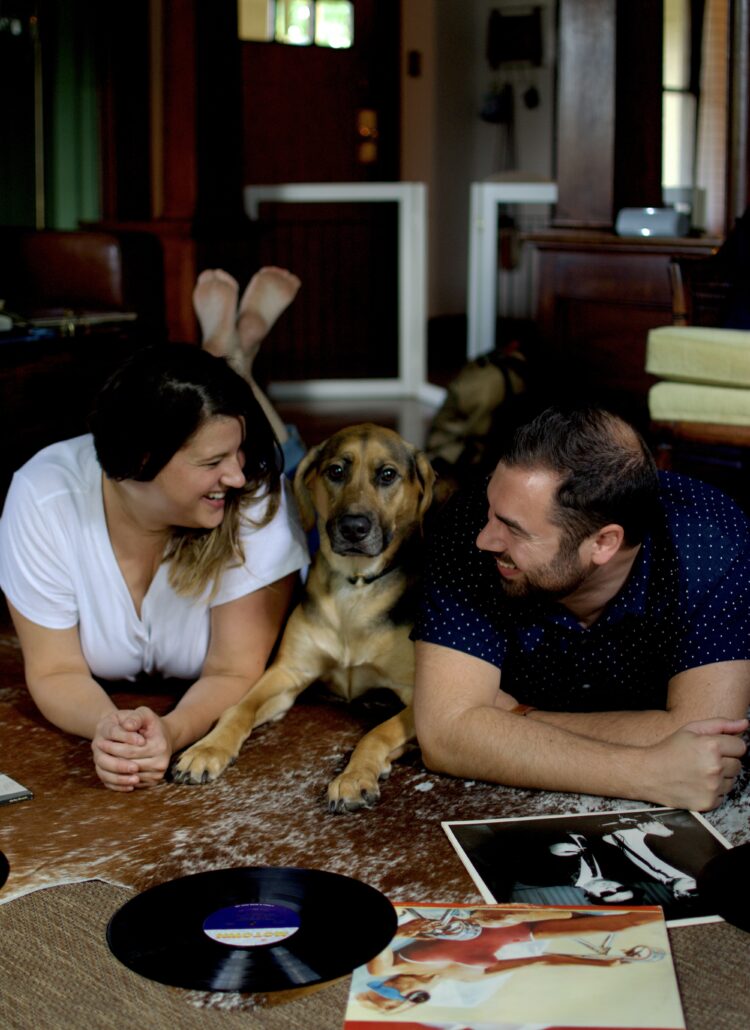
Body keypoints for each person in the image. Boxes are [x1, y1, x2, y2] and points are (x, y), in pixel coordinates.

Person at [0, 267, 309, 791]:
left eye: (234, 453)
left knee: (292, 468)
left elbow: (234, 671)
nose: (234, 474)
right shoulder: (42, 496)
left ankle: (234, 355)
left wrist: (172, 729)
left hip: (296, 505)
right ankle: (227, 351)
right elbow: (55, 671)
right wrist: (106, 726)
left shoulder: (252, 489)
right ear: (142, 459)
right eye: (213, 460)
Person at [413, 406, 750, 812]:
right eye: (491, 511)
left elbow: (706, 742)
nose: (486, 539)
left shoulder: (711, 542)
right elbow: (445, 735)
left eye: (514, 530)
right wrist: (646, 771)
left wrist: (516, 717)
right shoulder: (470, 525)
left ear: (604, 543)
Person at [358, 906, 664, 1016]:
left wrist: (404, 930)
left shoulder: (388, 966)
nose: (394, 986)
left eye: (385, 989)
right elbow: (540, 961)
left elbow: (378, 938)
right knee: (623, 924)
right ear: (412, 1000)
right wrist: (604, 965)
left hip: (501, 915)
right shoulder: (469, 979)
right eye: (396, 997)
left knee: (614, 915)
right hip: (528, 929)